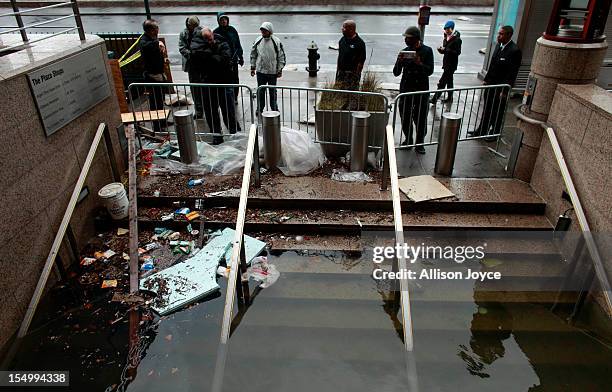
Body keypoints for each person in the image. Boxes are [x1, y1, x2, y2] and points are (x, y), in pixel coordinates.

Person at [190, 27, 241, 144]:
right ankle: (217, 135)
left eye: (210, 38)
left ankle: (235, 133)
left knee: (229, 111)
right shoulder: (198, 45)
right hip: (208, 85)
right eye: (206, 39)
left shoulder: (222, 42)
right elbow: (197, 62)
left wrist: (208, 57)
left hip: (224, 83)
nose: (209, 41)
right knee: (211, 113)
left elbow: (223, 60)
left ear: (213, 34)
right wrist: (212, 56)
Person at [470, 25, 522, 140]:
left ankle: (495, 133)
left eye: (501, 34)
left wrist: (505, 90)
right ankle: (481, 130)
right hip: (491, 84)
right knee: (487, 108)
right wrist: (486, 79)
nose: (499, 36)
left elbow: (512, 73)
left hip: (501, 87)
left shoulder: (514, 51)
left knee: (497, 111)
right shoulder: (499, 46)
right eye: (499, 33)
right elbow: (492, 65)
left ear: (509, 35)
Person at [393, 26, 434, 154]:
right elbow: (396, 72)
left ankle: (420, 143)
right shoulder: (405, 51)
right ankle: (408, 138)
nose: (405, 40)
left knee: (420, 117)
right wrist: (399, 62)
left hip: (421, 90)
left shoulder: (427, 51)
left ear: (416, 39)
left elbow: (429, 71)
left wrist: (419, 63)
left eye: (408, 38)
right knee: (405, 116)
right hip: (406, 89)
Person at [140, 19, 169, 133]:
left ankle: (162, 120)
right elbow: (147, 47)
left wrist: (164, 58)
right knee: (154, 101)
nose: (157, 30)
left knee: (160, 99)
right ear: (150, 30)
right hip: (152, 76)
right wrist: (158, 43)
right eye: (155, 28)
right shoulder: (145, 41)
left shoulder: (153, 38)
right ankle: (157, 126)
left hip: (159, 74)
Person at [250, 22, 286, 112]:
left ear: (269, 31)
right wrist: (253, 67)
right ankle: (260, 108)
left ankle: (274, 108)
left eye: (264, 30)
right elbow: (253, 54)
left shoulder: (276, 41)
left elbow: (281, 56)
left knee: (272, 92)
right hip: (260, 72)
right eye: (262, 30)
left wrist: (279, 69)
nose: (263, 32)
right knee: (261, 91)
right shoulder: (258, 40)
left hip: (272, 72)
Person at [214, 12, 244, 100]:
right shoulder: (216, 32)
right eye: (221, 20)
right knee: (224, 78)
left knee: (235, 78)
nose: (224, 21)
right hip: (223, 61)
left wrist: (240, 56)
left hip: (233, 59)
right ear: (218, 21)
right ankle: (225, 96)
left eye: (225, 19)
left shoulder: (232, 30)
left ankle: (235, 96)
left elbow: (237, 44)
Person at [430, 20, 462, 104]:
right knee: (449, 82)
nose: (446, 31)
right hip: (446, 63)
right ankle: (450, 98)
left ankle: (434, 99)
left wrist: (446, 50)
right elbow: (445, 49)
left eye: (448, 29)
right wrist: (441, 50)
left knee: (442, 82)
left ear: (452, 28)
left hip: (451, 65)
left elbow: (457, 52)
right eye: (445, 29)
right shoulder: (447, 37)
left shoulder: (457, 39)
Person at [178, 16, 202, 116]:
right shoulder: (183, 33)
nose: (195, 28)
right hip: (191, 64)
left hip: (202, 64)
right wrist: (191, 55)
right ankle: (199, 110)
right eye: (193, 26)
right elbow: (182, 47)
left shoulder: (201, 31)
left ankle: (206, 107)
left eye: (197, 25)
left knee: (204, 87)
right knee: (195, 89)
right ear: (189, 25)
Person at [336, 19, 366, 90]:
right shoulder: (342, 40)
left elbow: (361, 62)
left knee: (351, 94)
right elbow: (340, 55)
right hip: (341, 73)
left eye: (344, 27)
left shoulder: (359, 43)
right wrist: (338, 70)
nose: (342, 29)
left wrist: (356, 77)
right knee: (339, 93)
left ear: (351, 29)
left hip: (352, 74)